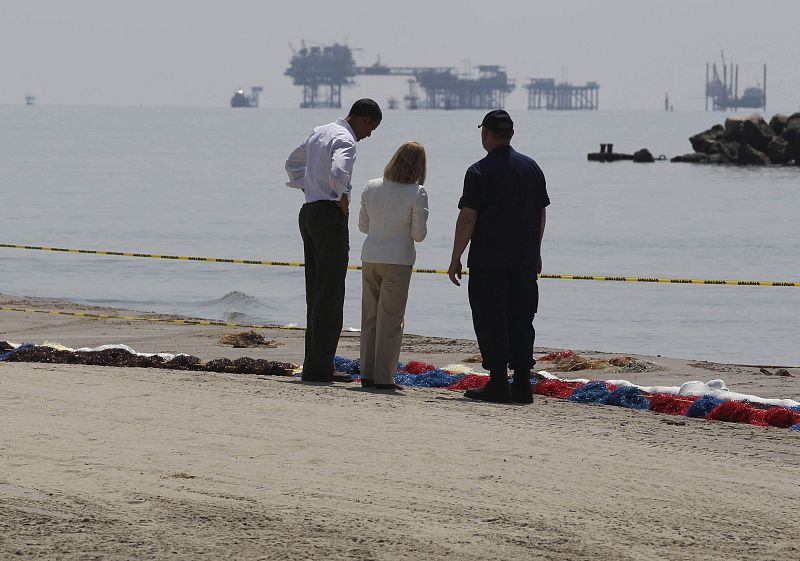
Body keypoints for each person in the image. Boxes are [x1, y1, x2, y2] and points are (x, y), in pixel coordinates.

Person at [447, 109, 549, 404]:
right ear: (512, 135)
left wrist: (456, 256)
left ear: (485, 135)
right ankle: (521, 384)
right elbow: (540, 213)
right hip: (524, 260)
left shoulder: (478, 171)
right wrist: (536, 251)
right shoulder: (532, 168)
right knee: (522, 318)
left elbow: (468, 216)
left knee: (490, 318)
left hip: (489, 261)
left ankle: (497, 382)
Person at [285, 99, 382, 382]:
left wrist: (307, 186)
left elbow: (292, 163)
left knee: (315, 291)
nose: (369, 135)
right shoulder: (345, 140)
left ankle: (314, 362)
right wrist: (342, 196)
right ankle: (320, 367)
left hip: (309, 211)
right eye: (371, 128)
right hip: (328, 215)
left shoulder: (320, 131)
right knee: (330, 294)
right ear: (363, 120)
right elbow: (340, 172)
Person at [358, 141, 429, 391]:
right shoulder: (417, 192)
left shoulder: (372, 186)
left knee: (370, 317)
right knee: (391, 320)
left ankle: (366, 373)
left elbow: (363, 227)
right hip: (398, 260)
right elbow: (418, 234)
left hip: (370, 256)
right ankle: (384, 377)